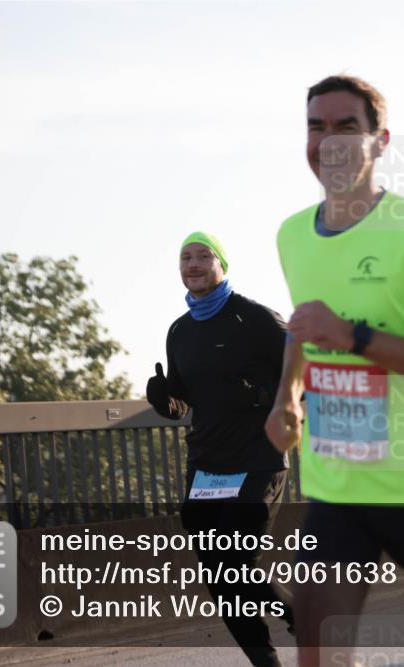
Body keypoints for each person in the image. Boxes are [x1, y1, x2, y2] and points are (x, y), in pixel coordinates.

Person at [265, 75, 404, 667]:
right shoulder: (291, 236)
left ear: (380, 140)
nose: (328, 142)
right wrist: (285, 395)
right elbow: (306, 329)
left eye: (346, 127)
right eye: (316, 127)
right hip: (339, 486)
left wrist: (354, 337)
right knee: (318, 649)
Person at [146, 231, 294, 667]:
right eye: (185, 257)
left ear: (222, 265)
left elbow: (307, 374)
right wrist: (164, 400)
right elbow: (185, 401)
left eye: (203, 255)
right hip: (208, 464)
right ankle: (265, 661)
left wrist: (260, 393)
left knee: (235, 556)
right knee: (218, 572)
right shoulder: (180, 331)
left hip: (258, 457)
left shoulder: (257, 319)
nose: (193, 264)